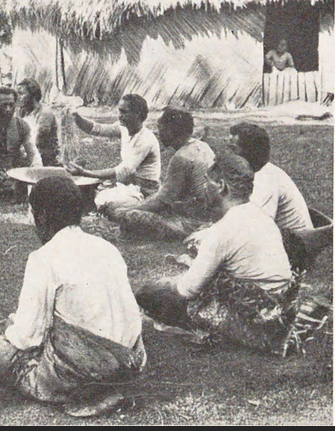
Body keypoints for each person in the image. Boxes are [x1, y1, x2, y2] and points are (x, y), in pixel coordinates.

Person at [0, 177, 145, 410]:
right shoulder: (107, 248)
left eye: (32, 214)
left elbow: (26, 338)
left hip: (85, 372)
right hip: (133, 361)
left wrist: (11, 329)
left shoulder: (44, 258)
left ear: (41, 217)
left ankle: (80, 386)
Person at [136, 151, 296, 353]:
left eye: (207, 183)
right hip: (279, 309)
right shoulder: (261, 216)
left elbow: (187, 290)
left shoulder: (224, 229)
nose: (203, 189)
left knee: (148, 293)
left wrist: (165, 282)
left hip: (256, 321)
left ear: (221, 186)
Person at [229, 122, 331, 271]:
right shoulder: (262, 172)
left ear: (249, 152)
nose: (229, 154)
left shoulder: (263, 180)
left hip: (293, 248)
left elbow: (255, 228)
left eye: (233, 149)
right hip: (286, 239)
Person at [105, 108, 215, 240]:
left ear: (171, 131)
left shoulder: (181, 157)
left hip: (192, 223)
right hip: (207, 216)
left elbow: (162, 202)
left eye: (161, 129)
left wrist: (125, 210)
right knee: (122, 206)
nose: (159, 133)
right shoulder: (202, 146)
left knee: (130, 216)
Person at [68, 93, 161, 211]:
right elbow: (96, 129)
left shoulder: (145, 140)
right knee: (97, 196)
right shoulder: (124, 128)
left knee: (103, 201)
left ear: (137, 114)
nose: (119, 115)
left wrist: (85, 173)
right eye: (119, 111)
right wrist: (76, 117)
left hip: (145, 190)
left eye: (124, 112)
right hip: (129, 184)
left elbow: (121, 171)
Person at [17, 78, 60, 167]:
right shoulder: (22, 112)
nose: (18, 97)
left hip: (44, 160)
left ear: (33, 95)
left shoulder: (44, 113)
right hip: (26, 156)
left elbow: (38, 142)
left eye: (21, 94)